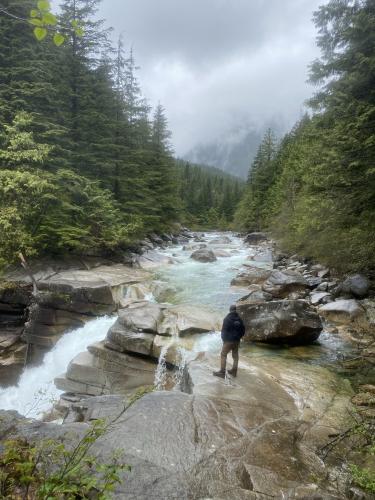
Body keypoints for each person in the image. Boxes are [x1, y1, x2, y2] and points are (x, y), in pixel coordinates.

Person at [213, 304, 245, 378]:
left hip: (229, 341)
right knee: (235, 356)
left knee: (223, 354)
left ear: (230, 310)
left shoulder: (227, 319)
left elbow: (224, 331)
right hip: (237, 341)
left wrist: (224, 340)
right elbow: (243, 330)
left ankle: (222, 372)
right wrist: (239, 337)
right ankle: (234, 371)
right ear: (235, 310)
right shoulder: (239, 319)